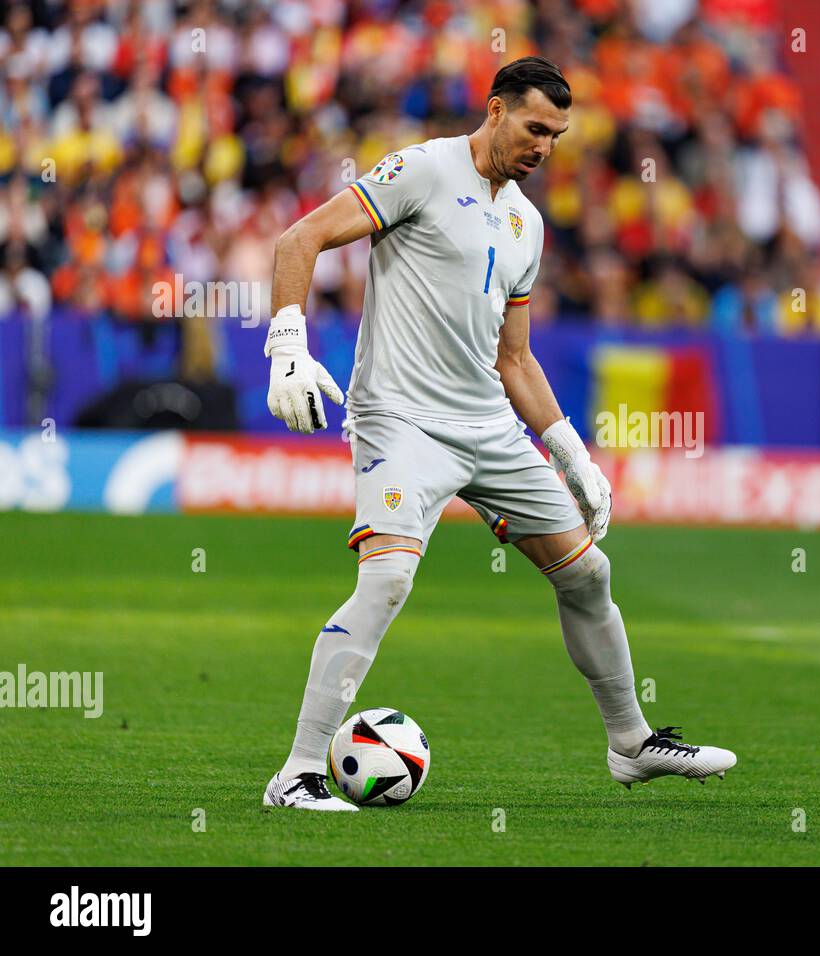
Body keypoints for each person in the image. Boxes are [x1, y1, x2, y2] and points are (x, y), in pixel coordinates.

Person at [261, 57, 735, 811]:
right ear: (495, 110)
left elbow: (512, 358)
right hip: (402, 420)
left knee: (589, 575)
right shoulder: (421, 169)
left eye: (558, 135)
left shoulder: (527, 223)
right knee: (386, 580)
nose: (546, 147)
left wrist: (571, 451)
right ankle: (296, 772)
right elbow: (299, 241)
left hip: (487, 424)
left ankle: (630, 744)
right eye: (535, 127)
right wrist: (287, 346)